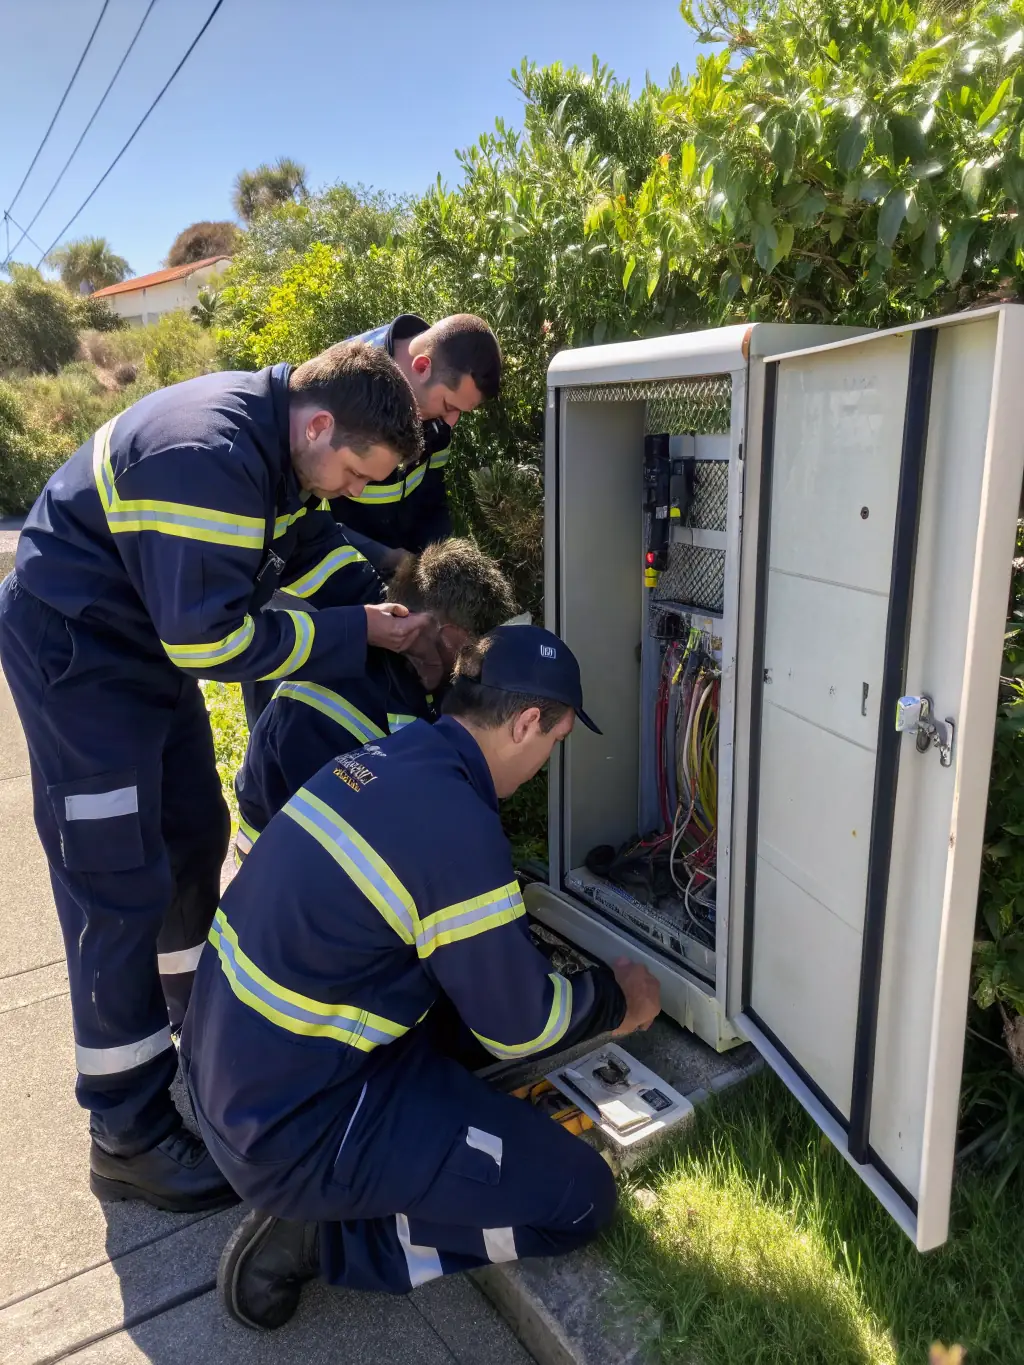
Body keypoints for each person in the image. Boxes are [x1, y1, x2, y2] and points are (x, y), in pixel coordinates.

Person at [0, 340, 443, 1213]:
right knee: (115, 880)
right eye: (354, 472)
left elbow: (313, 547)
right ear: (319, 424)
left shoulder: (281, 453)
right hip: (80, 653)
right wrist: (355, 636)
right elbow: (212, 644)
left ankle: (192, 1024)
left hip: (134, 642)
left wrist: (391, 615)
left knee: (193, 833)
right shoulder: (208, 458)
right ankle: (125, 1132)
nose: (350, 492)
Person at [179, 625, 662, 1327]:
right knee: (581, 1198)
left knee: (455, 1033)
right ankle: (331, 1234)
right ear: (528, 722)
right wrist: (619, 1000)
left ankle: (366, 1168)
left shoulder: (389, 755)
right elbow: (519, 1024)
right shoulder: (458, 827)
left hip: (223, 1074)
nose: (547, 759)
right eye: (555, 742)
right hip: (290, 1133)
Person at [234, 538, 517, 858]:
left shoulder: (415, 679)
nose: (479, 670)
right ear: (449, 638)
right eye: (478, 651)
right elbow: (333, 858)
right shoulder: (319, 715)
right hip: (285, 866)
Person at [334, 313, 501, 573]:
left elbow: (430, 498)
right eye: (448, 406)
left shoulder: (434, 404)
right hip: (328, 582)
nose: (451, 422)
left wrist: (439, 562)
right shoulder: (346, 387)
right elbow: (307, 521)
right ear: (422, 367)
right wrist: (384, 558)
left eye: (460, 411)